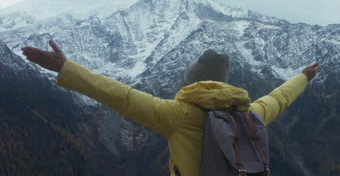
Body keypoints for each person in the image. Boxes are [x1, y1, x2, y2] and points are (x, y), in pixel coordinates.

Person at [21, 40, 321, 176]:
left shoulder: (175, 116)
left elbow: (119, 95)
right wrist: (303, 77)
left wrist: (65, 67)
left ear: (191, 83)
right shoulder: (251, 113)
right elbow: (279, 99)